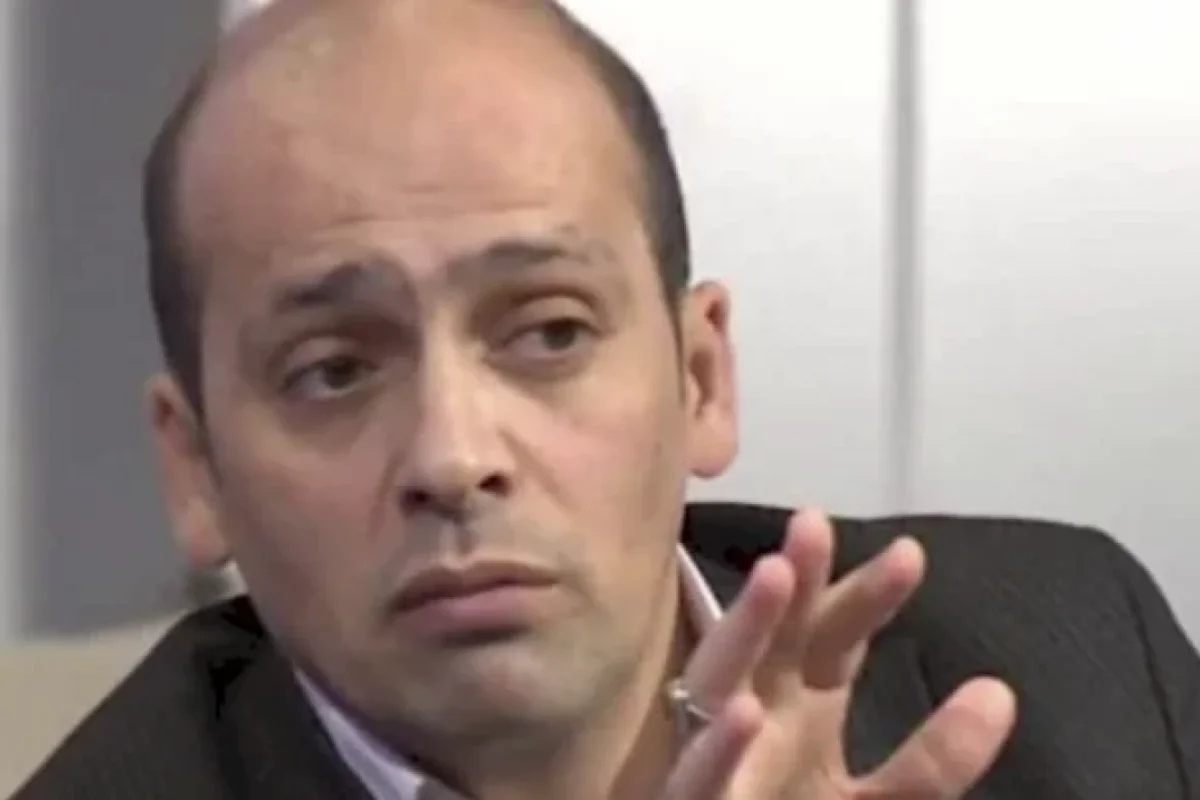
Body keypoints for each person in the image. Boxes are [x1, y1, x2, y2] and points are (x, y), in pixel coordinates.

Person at [13, 1, 1200, 798]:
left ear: (701, 376)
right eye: (333, 368)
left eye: (549, 332)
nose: (453, 454)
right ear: (197, 469)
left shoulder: (1076, 655)